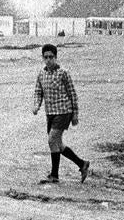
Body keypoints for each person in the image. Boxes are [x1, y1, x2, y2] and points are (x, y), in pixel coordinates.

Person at [32, 43, 91, 184]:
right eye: (45, 57)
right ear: (42, 58)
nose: (48, 60)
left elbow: (72, 94)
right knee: (57, 144)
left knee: (52, 140)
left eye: (51, 57)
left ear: (56, 57)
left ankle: (54, 175)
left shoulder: (63, 73)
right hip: (50, 113)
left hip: (64, 111)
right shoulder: (41, 74)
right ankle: (82, 164)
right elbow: (38, 92)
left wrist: (75, 114)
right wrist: (36, 105)